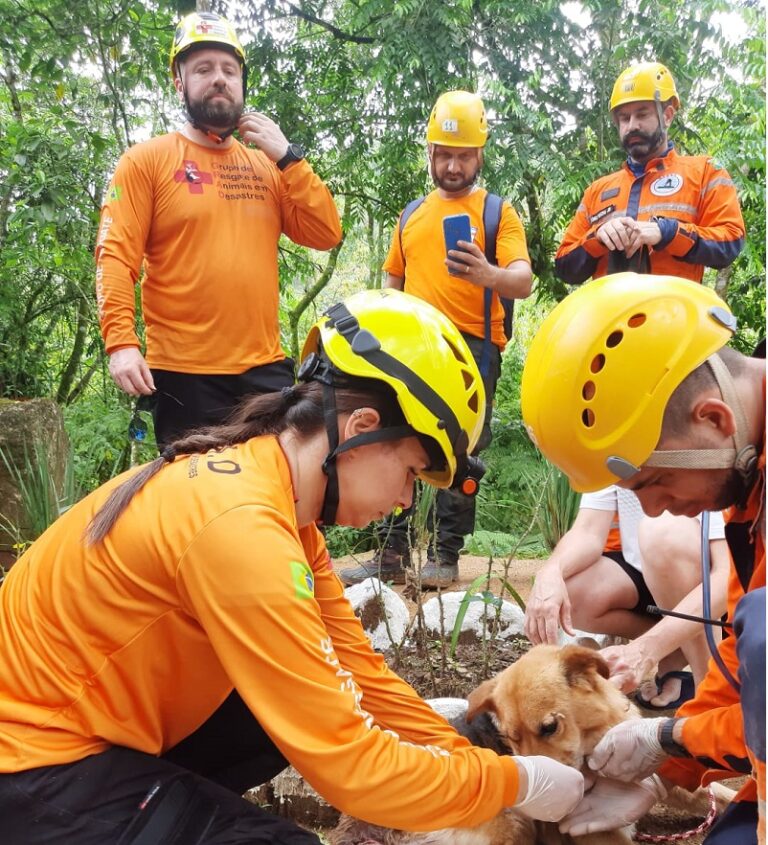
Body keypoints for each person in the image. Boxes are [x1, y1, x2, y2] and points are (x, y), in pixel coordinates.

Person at [0, 290, 585, 843]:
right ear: (361, 428)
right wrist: (515, 784)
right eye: (411, 472)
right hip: (31, 765)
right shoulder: (242, 528)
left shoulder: (280, 507)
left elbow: (360, 676)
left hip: (92, 731)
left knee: (290, 708)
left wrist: (470, 758)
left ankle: (165, 806)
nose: (405, 501)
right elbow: (356, 770)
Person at [520, 272, 765, 844]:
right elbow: (742, 671)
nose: (651, 511)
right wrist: (664, 771)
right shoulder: (748, 484)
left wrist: (670, 738)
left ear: (713, 420)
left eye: (653, 482)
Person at [95, 10, 342, 447]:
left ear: (242, 81)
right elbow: (115, 255)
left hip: (265, 370)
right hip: (184, 373)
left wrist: (289, 158)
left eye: (230, 70)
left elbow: (325, 233)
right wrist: (121, 343)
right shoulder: (145, 161)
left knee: (276, 483)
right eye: (204, 69)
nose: (219, 79)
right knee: (194, 488)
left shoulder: (268, 165)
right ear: (180, 82)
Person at [341, 90, 532, 589]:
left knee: (461, 448)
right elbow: (392, 286)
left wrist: (488, 274)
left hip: (474, 348)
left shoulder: (498, 213)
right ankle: (391, 553)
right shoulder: (410, 216)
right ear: (429, 152)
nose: (452, 166)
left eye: (463, 156)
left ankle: (445, 554)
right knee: (391, 437)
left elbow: (523, 281)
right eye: (443, 154)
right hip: (412, 348)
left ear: (479, 155)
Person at [524, 483, 730, 709]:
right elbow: (588, 531)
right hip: (644, 572)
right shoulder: (610, 461)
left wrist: (644, 650)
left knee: (661, 532)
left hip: (718, 593)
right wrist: (551, 572)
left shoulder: (706, 463)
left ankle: (712, 691)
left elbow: (726, 577)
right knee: (571, 596)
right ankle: (676, 647)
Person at [555, 62, 745, 285]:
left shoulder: (704, 172)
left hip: (674, 306)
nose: (632, 126)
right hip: (611, 307)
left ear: (667, 116)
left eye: (642, 114)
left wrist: (667, 232)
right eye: (624, 118)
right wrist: (598, 238)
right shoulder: (597, 191)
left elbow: (730, 243)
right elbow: (564, 268)